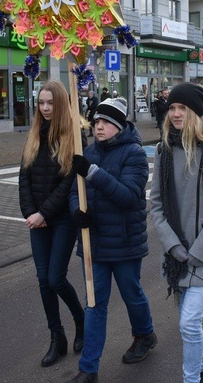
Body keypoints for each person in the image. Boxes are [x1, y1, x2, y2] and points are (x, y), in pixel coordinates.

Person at [149, 82, 203, 383]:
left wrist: (198, 252)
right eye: (172, 107)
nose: (175, 113)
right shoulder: (163, 149)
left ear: (195, 113)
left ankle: (192, 380)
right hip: (176, 254)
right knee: (190, 324)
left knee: (188, 323)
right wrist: (174, 247)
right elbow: (156, 205)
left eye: (181, 108)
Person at [67, 97, 155, 383]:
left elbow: (129, 197)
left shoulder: (135, 154)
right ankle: (88, 369)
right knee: (94, 304)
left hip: (125, 242)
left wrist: (92, 173)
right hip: (93, 242)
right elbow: (73, 192)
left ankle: (144, 333)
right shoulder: (88, 152)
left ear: (118, 125)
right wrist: (76, 213)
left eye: (104, 122)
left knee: (132, 294)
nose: (98, 126)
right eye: (96, 122)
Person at [19, 80, 85, 369]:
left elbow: (69, 182)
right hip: (38, 220)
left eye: (50, 103)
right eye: (41, 103)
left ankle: (80, 321)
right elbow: (24, 177)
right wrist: (30, 212)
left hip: (61, 220)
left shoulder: (73, 135)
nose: (45, 108)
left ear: (60, 105)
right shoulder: (34, 133)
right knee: (43, 280)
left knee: (56, 278)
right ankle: (56, 337)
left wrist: (43, 213)